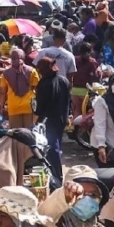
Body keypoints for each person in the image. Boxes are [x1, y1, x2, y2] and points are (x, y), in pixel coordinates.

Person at [35, 57, 72, 190]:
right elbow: (69, 100)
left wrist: (36, 120)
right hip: (61, 119)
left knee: (51, 149)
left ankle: (56, 177)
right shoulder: (64, 80)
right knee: (56, 146)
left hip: (47, 121)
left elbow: (39, 107)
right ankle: (56, 175)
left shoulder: (44, 84)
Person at [0, 48, 40, 129]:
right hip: (29, 106)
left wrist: (1, 106)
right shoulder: (32, 71)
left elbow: (2, 92)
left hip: (13, 106)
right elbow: (37, 88)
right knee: (28, 134)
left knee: (16, 134)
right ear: (23, 57)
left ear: (11, 58)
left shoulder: (5, 74)